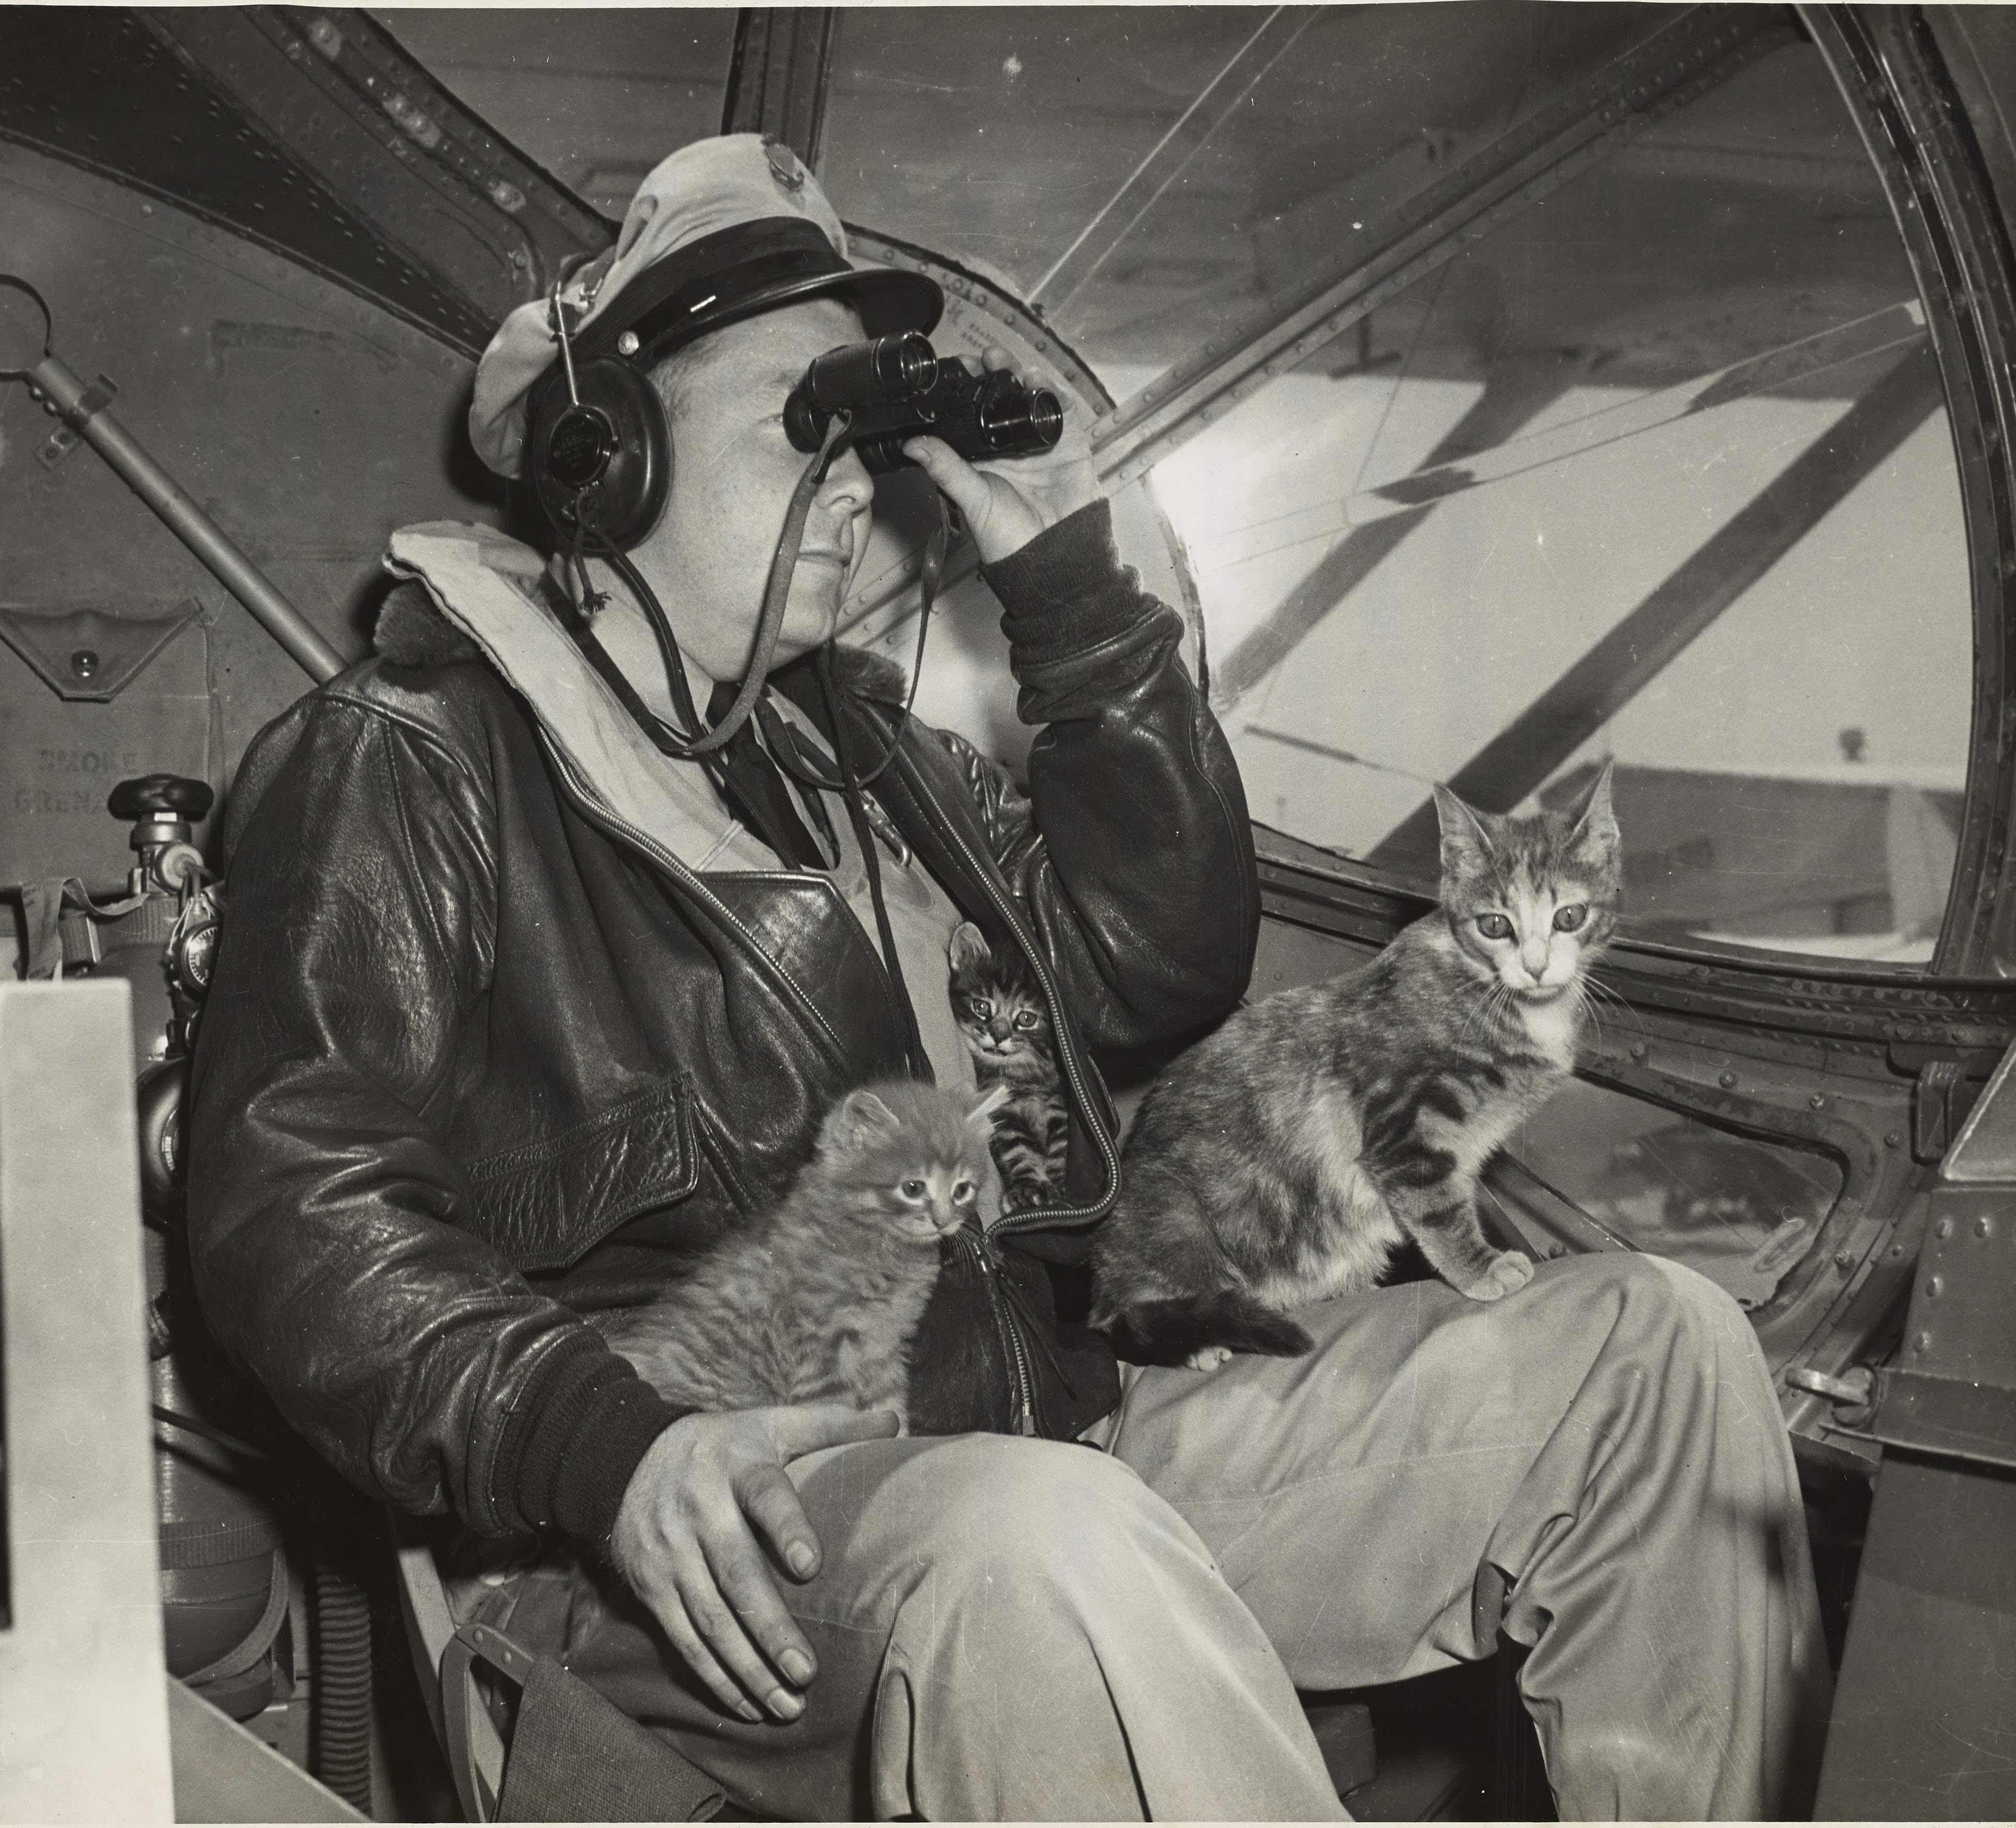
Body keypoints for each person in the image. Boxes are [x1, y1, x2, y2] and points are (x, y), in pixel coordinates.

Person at [188, 134, 1830, 1820]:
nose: (855, 485)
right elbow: (286, 1195)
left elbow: (1155, 963)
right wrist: (599, 1445)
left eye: (864, 444)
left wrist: (1077, 598)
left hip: (1042, 1456)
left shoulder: (868, 766)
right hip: (687, 1538)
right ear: (614, 460)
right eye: (800, 429)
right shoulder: (415, 760)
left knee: (1656, 1347)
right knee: (1048, 1544)